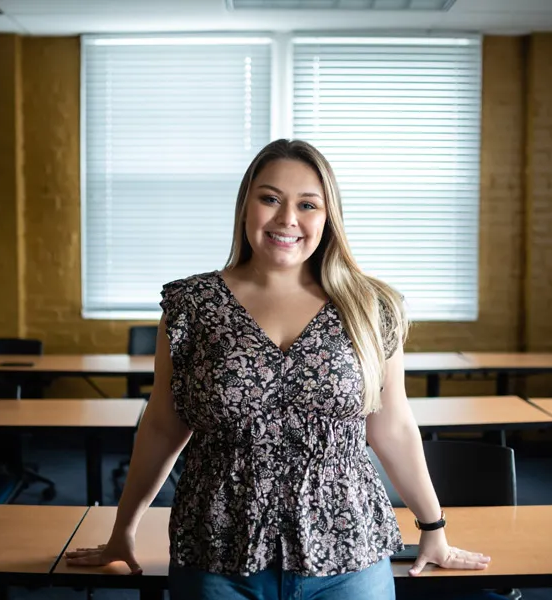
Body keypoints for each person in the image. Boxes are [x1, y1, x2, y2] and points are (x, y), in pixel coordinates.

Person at [65, 139, 490, 599]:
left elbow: (392, 427)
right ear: (246, 204)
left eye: (308, 204)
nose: (287, 218)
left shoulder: (371, 306)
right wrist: (123, 527)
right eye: (270, 198)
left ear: (328, 218)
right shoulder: (192, 305)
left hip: (347, 553)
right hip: (218, 552)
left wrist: (433, 527)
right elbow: (164, 426)